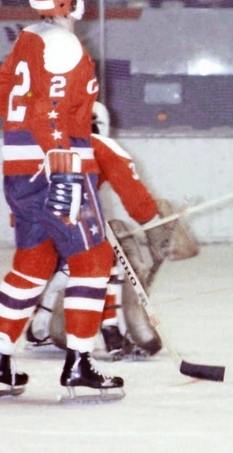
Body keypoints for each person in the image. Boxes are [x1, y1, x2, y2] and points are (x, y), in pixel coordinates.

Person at [0, 0, 124, 401]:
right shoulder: (64, 43)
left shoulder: (28, 38)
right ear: (73, 3)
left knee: (33, 262)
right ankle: (79, 364)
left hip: (20, 166)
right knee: (94, 261)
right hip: (55, 166)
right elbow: (48, 113)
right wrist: (63, 166)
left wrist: (74, 111)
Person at [25, 101, 166, 361]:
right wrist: (154, 225)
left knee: (69, 263)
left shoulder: (41, 144)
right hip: (74, 224)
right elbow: (133, 194)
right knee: (109, 252)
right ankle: (113, 327)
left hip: (36, 225)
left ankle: (41, 321)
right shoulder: (101, 145)